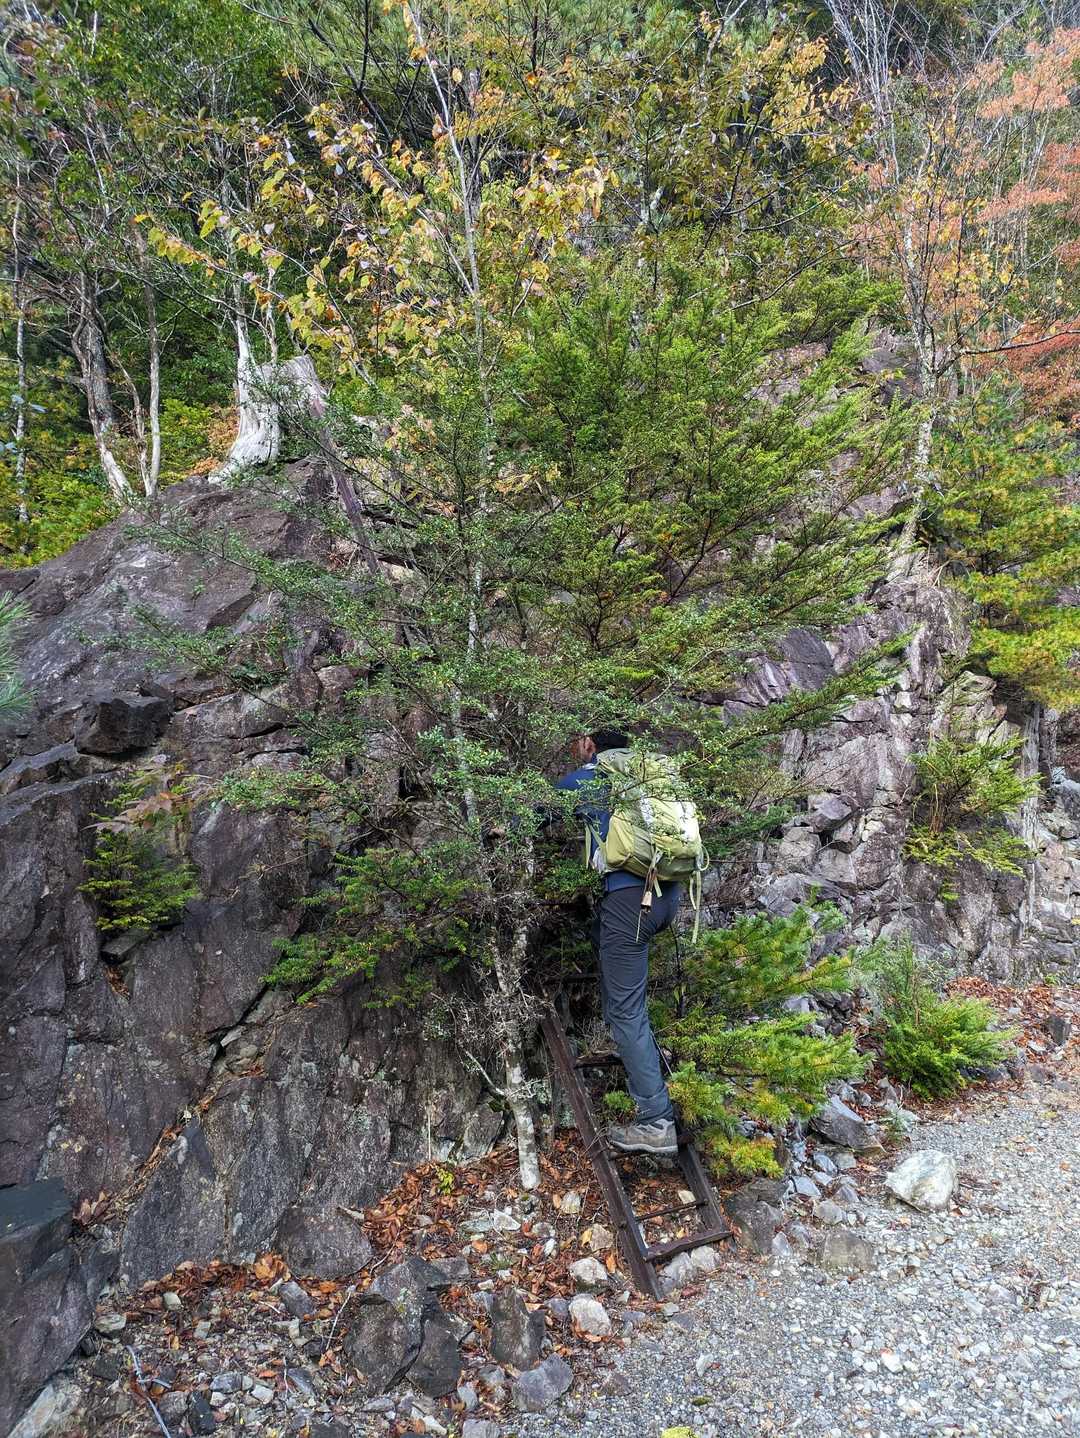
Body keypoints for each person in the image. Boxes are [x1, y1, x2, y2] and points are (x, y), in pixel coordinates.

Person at [556, 729, 680, 1156]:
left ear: (591, 745)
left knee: (629, 1012)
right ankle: (624, 1040)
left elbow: (535, 811)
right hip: (666, 898)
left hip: (630, 902)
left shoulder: (592, 776)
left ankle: (656, 1121)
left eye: (580, 743)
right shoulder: (646, 778)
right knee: (604, 942)